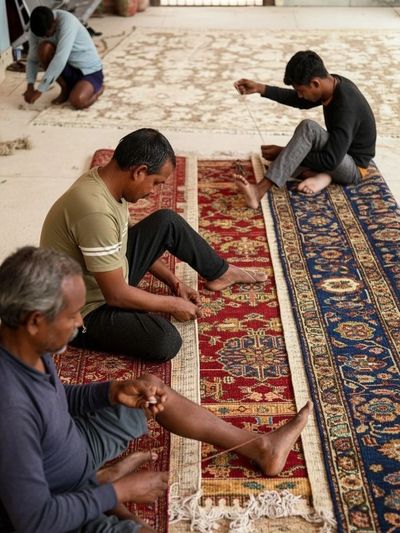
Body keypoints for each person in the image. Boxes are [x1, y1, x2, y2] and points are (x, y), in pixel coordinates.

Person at [0, 246, 312, 533]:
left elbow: (52, 401)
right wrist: (120, 492)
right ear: (35, 320)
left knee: (149, 391)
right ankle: (100, 488)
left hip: (70, 451)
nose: (81, 323)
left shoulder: (27, 346)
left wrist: (110, 392)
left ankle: (262, 448)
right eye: (71, 315)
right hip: (54, 505)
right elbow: (34, 520)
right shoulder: (10, 409)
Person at [40, 128, 267, 362]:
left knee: (166, 221)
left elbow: (124, 241)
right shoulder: (94, 209)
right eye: (156, 183)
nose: (153, 192)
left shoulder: (107, 184)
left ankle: (220, 271)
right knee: (165, 340)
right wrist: (172, 304)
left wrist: (174, 283)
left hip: (100, 280)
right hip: (80, 310)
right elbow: (116, 295)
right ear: (139, 172)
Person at [234, 50, 376, 206]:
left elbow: (330, 160)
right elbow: (299, 101)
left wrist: (284, 152)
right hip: (338, 152)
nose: (300, 95)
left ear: (315, 83)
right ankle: (322, 176)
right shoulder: (329, 84)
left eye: (301, 91)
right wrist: (260, 88)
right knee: (290, 156)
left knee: (307, 130)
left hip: (353, 167)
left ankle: (258, 192)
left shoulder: (346, 107)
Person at [24, 6, 104, 109]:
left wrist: (40, 90)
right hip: (68, 69)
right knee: (44, 49)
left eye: (48, 34)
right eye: (43, 36)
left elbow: (60, 59)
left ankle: (99, 90)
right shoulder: (36, 28)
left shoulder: (67, 22)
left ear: (54, 21)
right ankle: (66, 89)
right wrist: (30, 85)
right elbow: (32, 59)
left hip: (89, 71)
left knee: (77, 101)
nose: (46, 37)